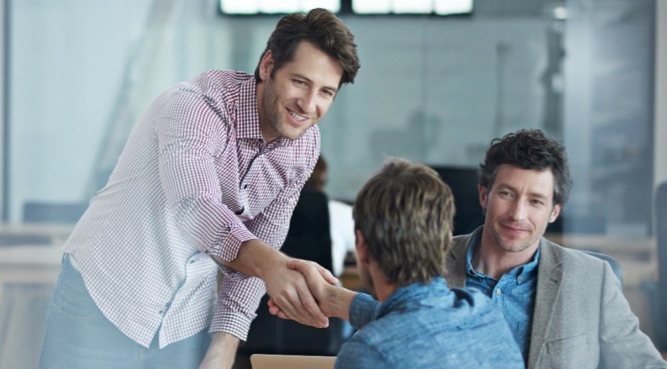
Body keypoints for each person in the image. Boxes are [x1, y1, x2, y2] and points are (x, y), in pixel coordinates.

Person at [37, 8, 361, 368]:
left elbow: (263, 242)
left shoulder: (303, 146)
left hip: (183, 320)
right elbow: (195, 207)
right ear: (268, 65)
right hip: (105, 298)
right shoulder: (195, 105)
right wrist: (273, 266)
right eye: (300, 82)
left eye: (326, 92)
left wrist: (224, 346)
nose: (309, 104)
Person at [276, 129, 667, 368]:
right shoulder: (431, 254)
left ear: (554, 211)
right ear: (484, 194)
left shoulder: (590, 280)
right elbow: (410, 323)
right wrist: (331, 298)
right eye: (507, 194)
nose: (517, 213)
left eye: (535, 201)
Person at [333, 159, 522, 368]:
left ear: (362, 246)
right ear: (445, 241)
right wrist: (331, 298)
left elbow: (406, 326)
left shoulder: (369, 352)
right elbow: (416, 320)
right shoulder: (484, 313)